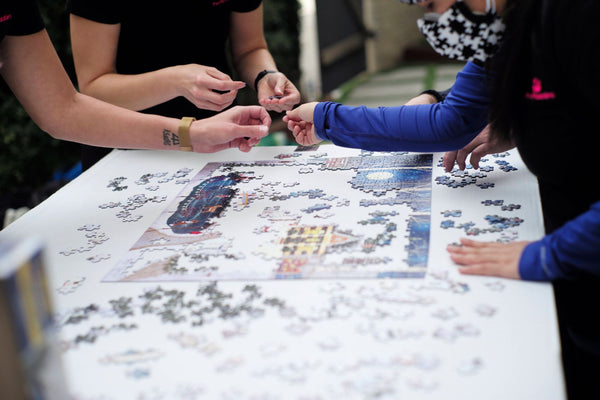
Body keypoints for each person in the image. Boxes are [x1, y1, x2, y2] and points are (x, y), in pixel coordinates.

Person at [284, 1, 600, 398]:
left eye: (431, 3)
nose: (430, 20)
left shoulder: (580, 16)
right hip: (571, 269)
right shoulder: (506, 25)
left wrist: (551, 255)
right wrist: (338, 117)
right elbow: (450, 123)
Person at [0, 0, 270, 158]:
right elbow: (87, 92)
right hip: (119, 155)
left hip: (205, 146)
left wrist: (194, 134)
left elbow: (63, 109)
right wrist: (176, 81)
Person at [67, 0, 300, 170]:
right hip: (125, 152)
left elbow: (250, 48)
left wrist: (265, 75)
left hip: (219, 141)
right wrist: (176, 82)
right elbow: (93, 88)